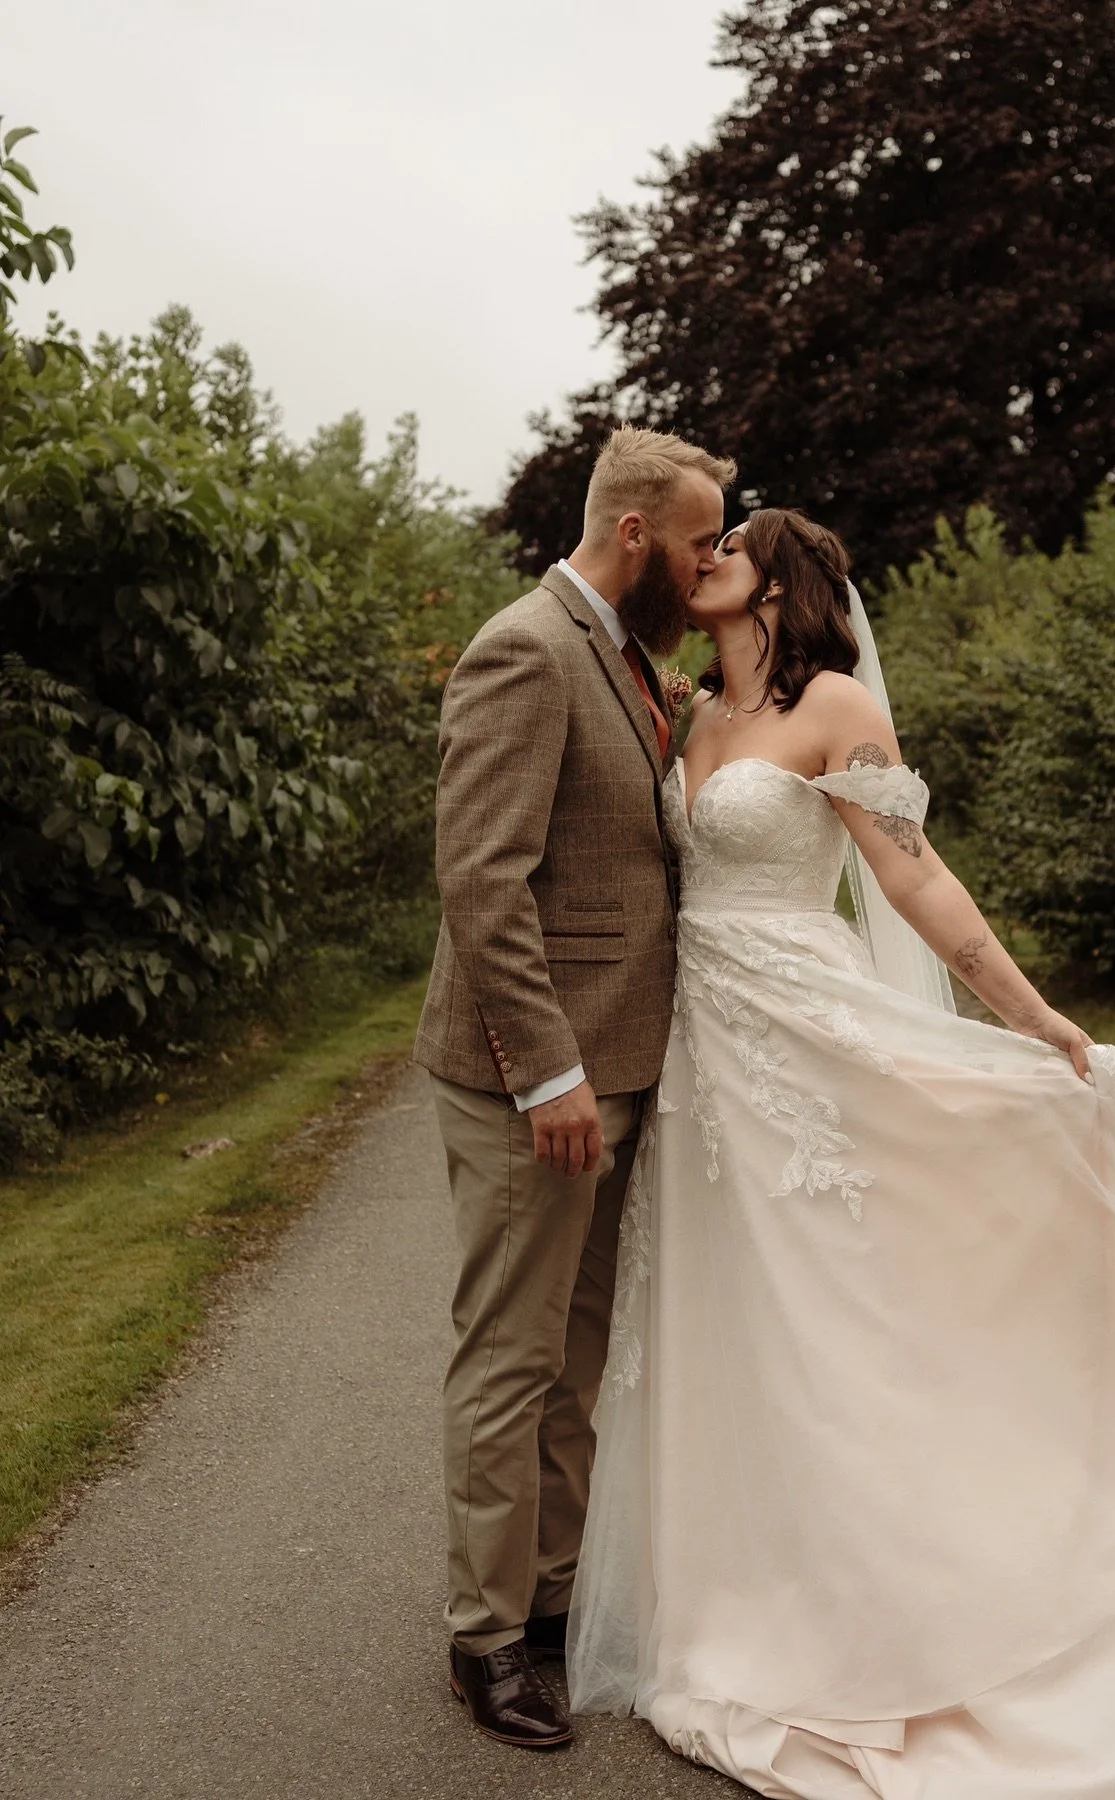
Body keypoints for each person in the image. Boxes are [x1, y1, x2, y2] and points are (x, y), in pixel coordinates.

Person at [567, 509, 1115, 1799]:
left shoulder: (834, 711)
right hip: (710, 1058)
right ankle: (752, 1593)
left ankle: (923, 1607)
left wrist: (1037, 1019)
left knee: (845, 1317)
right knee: (746, 1323)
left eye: (733, 543)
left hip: (808, 1039)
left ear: (786, 583)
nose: (705, 556)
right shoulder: (690, 713)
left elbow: (915, 879)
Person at [414, 425, 736, 1749]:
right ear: (639, 537)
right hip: (531, 1083)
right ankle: (483, 1639)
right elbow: (484, 882)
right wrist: (545, 1071)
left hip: (623, 1067)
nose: (716, 564)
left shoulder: (627, 659)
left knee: (578, 1354)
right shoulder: (523, 650)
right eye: (707, 540)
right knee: (512, 1353)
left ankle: (549, 1600)